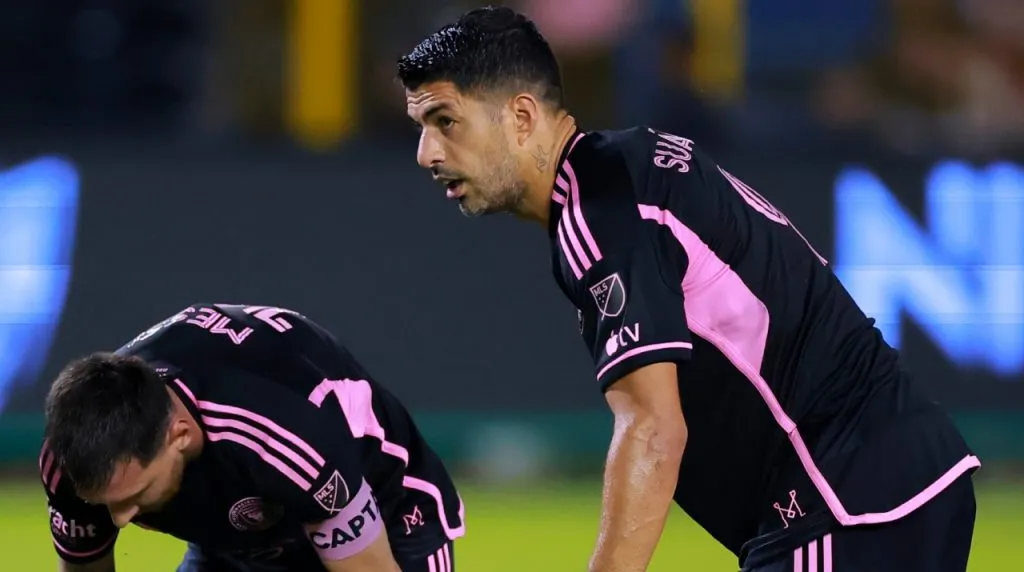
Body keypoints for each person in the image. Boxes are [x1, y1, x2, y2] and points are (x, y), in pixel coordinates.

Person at [396, 7, 979, 572]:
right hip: (887, 485)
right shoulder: (629, 168)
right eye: (421, 128)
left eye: (446, 121)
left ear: (521, 117)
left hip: (844, 502)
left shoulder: (599, 214)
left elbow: (652, 429)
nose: (428, 153)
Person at [40, 303, 463, 572]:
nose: (120, 519)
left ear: (180, 435)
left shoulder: (281, 438)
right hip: (243, 538)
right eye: (105, 504)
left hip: (388, 509)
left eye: (138, 493)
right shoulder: (74, 457)